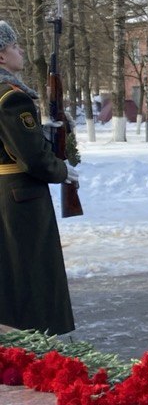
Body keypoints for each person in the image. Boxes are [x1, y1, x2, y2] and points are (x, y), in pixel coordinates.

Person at [0, 21, 77, 335]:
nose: (20, 51)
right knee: (30, 276)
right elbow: (32, 158)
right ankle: (35, 344)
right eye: (14, 46)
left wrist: (42, 132)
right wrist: (61, 169)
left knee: (9, 275)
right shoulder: (12, 98)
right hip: (21, 199)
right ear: (1, 56)